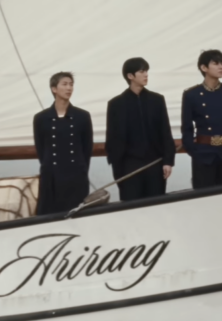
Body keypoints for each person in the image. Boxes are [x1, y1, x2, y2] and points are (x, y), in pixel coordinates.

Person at [105, 57, 174, 201]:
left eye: (147, 71)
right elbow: (112, 138)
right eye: (142, 71)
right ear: (130, 76)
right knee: (131, 206)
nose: (146, 75)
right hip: (128, 165)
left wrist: (168, 161)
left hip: (155, 162)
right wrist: (117, 168)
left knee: (156, 204)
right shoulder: (116, 104)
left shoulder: (157, 100)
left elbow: (165, 132)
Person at [181, 50, 222, 189]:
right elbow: (187, 128)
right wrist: (194, 151)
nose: (221, 67)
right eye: (216, 63)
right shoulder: (191, 95)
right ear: (204, 67)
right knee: (205, 197)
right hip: (204, 153)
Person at [33, 72, 94, 214]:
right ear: (54, 89)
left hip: (76, 175)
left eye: (71, 84)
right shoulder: (41, 118)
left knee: (77, 214)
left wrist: (81, 168)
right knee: (49, 215)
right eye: (65, 84)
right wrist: (49, 165)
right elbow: (41, 148)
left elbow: (87, 147)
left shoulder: (82, 116)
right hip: (51, 176)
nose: (69, 88)